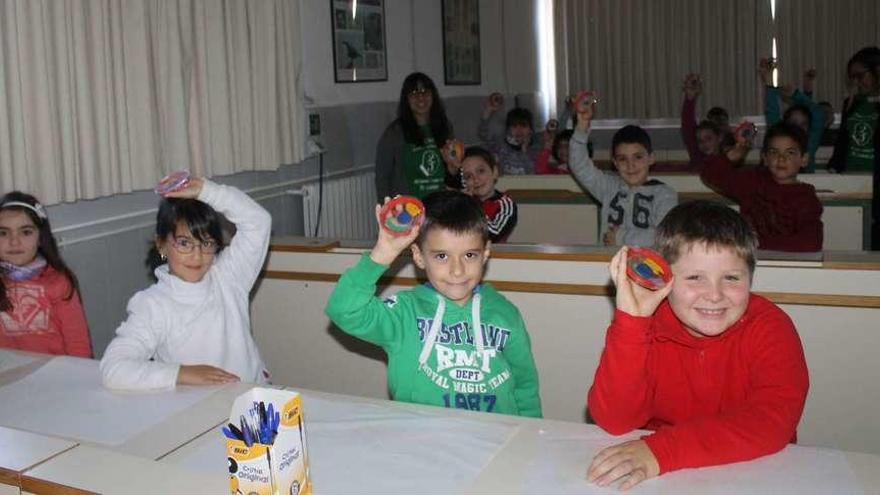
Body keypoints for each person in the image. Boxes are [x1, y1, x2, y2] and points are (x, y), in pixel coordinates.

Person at [586, 200, 809, 490]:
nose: (714, 295)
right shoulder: (647, 327)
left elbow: (771, 423)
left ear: (751, 278)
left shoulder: (771, 328)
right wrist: (632, 322)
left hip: (754, 471)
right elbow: (615, 420)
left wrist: (661, 452)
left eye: (731, 278)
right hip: (665, 479)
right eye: (694, 278)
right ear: (664, 277)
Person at [324, 190, 542, 417]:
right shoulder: (404, 314)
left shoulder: (505, 314)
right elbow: (343, 310)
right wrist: (383, 253)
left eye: (469, 255)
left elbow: (525, 388)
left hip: (494, 439)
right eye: (441, 256)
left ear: (485, 253)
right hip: (422, 442)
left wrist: (531, 437)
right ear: (419, 257)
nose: (457, 271)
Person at [100, 177, 272, 390]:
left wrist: (205, 190)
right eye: (184, 243)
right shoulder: (153, 304)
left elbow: (258, 221)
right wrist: (182, 372)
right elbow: (114, 368)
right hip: (199, 411)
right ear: (161, 244)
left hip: (253, 399)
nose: (197, 255)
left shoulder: (229, 276)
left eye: (206, 243)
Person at [701, 122, 823, 252]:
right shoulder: (753, 182)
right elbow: (711, 175)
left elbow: (811, 243)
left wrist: (752, 242)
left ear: (803, 159)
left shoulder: (806, 198)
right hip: (750, 261)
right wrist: (732, 155)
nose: (781, 159)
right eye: (774, 152)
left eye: (790, 152)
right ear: (764, 157)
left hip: (790, 265)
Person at [569, 101, 678, 247]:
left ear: (651, 158)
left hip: (647, 266)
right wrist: (582, 126)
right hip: (606, 262)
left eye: (638, 157)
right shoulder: (609, 188)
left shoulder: (665, 194)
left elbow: (665, 236)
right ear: (615, 162)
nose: (630, 165)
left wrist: (621, 238)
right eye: (622, 159)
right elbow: (579, 165)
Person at [0, 192, 91, 357]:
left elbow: (78, 344)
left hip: (56, 373)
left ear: (40, 238)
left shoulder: (58, 282)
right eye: (3, 233)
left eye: (25, 232)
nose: (14, 241)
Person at [827, 46, 880, 249]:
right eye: (852, 78)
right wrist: (835, 169)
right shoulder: (852, 103)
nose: (856, 83)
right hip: (852, 180)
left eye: (860, 76)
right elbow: (843, 142)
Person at [375, 72, 457, 200]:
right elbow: (382, 176)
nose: (420, 97)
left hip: (441, 204)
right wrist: (387, 208)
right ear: (406, 99)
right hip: (409, 208)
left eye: (425, 91)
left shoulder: (445, 127)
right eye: (414, 93)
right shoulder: (394, 132)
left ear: (433, 95)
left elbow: (453, 169)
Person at [758, 60, 825, 173]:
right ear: (785, 124)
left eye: (803, 124)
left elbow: (818, 113)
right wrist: (769, 84)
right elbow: (772, 112)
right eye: (794, 123)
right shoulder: (779, 137)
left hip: (806, 185)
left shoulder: (810, 143)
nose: (798, 127)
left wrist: (797, 95)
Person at [461, 146, 518, 243]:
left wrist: (472, 206)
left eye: (481, 171)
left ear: (495, 172)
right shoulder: (461, 203)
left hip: (496, 256)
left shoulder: (505, 204)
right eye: (468, 176)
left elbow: (493, 235)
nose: (476, 179)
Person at [478, 97, 541, 175]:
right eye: (514, 126)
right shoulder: (500, 143)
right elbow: (484, 136)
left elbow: (533, 172)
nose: (519, 130)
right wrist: (486, 116)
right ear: (508, 129)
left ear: (530, 129)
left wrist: (524, 150)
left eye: (523, 126)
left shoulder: (536, 147)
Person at [679, 74, 725, 171]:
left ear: (719, 138)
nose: (705, 144)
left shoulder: (727, 159)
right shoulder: (698, 157)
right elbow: (687, 126)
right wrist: (690, 98)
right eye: (700, 141)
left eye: (709, 139)